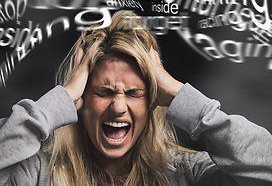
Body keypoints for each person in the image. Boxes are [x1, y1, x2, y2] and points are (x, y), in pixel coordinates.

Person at [0, 10, 271, 186]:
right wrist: (59, 100)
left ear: (153, 99)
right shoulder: (37, 173)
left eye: (134, 93)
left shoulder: (188, 174)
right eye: (103, 92)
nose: (118, 107)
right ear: (80, 99)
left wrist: (181, 95)